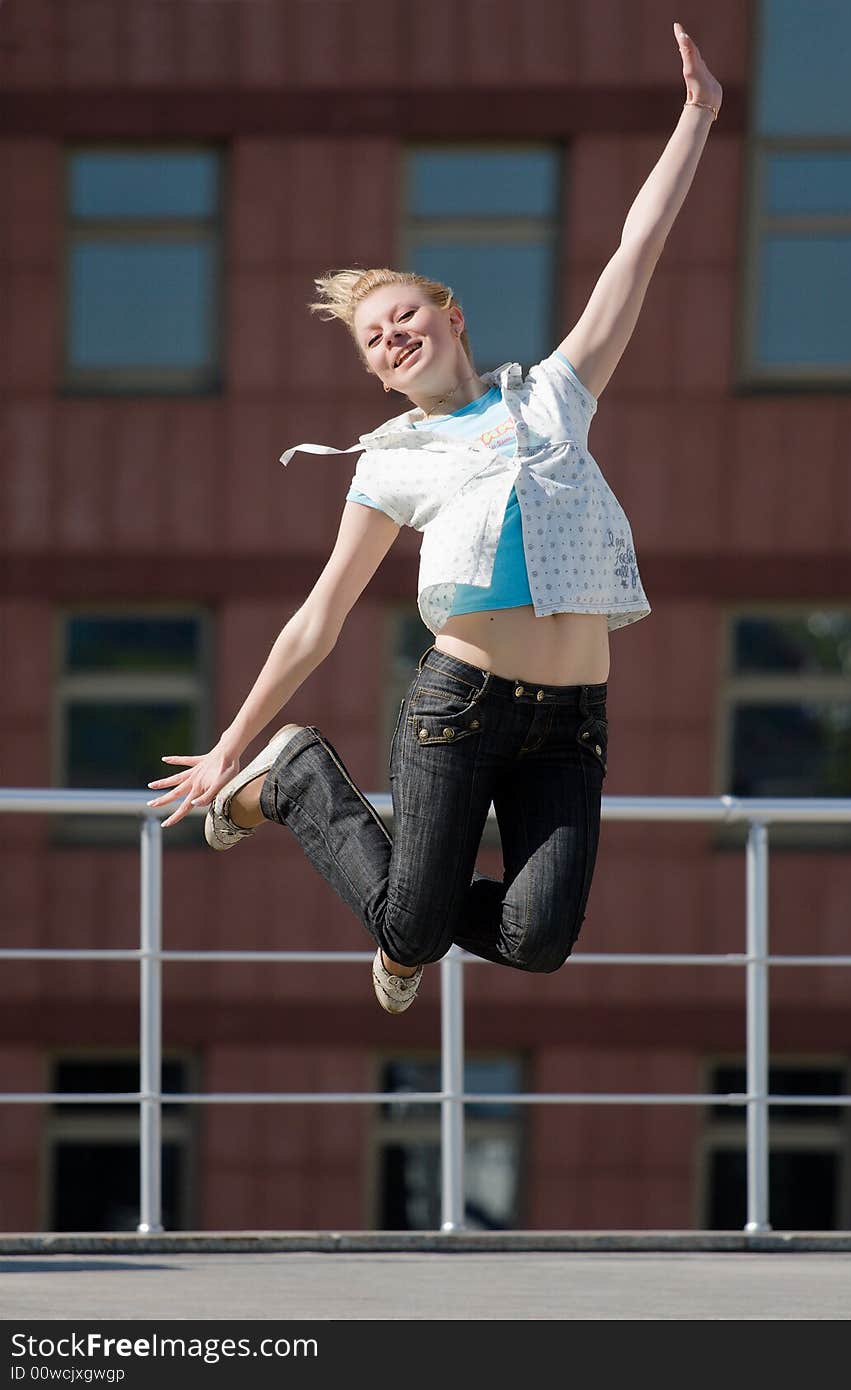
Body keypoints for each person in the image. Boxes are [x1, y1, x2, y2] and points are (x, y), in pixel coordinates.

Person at [147, 22, 722, 1014]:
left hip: (572, 720)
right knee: (406, 928)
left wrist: (699, 115)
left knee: (537, 941)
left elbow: (638, 248)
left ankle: (392, 906)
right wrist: (234, 739)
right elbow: (320, 613)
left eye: (404, 316)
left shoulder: (554, 393)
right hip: (462, 703)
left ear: (449, 316)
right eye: (373, 339)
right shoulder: (390, 458)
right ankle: (289, 776)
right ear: (375, 371)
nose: (391, 337)